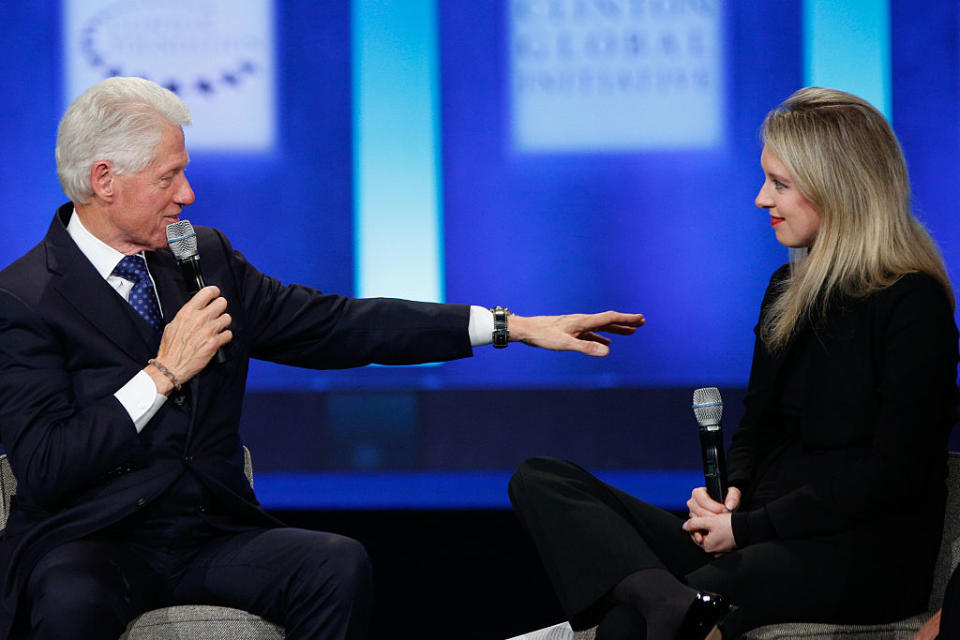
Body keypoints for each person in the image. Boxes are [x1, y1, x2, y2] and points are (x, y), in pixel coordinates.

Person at [0, 76, 646, 640]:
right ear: (104, 179)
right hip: (90, 541)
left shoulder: (203, 258)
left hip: (206, 534)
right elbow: (49, 464)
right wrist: (163, 374)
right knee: (69, 600)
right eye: (169, 176)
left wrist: (510, 326)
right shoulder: (25, 297)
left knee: (333, 563)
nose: (188, 195)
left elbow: (335, 325)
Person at [509, 87, 959, 640]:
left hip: (860, 555)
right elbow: (757, 427)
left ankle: (670, 602)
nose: (761, 199)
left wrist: (747, 528)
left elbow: (892, 475)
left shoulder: (913, 303)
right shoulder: (785, 289)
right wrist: (734, 493)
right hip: (761, 533)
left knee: (629, 618)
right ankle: (669, 598)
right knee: (540, 480)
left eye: (780, 184)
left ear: (840, 189)